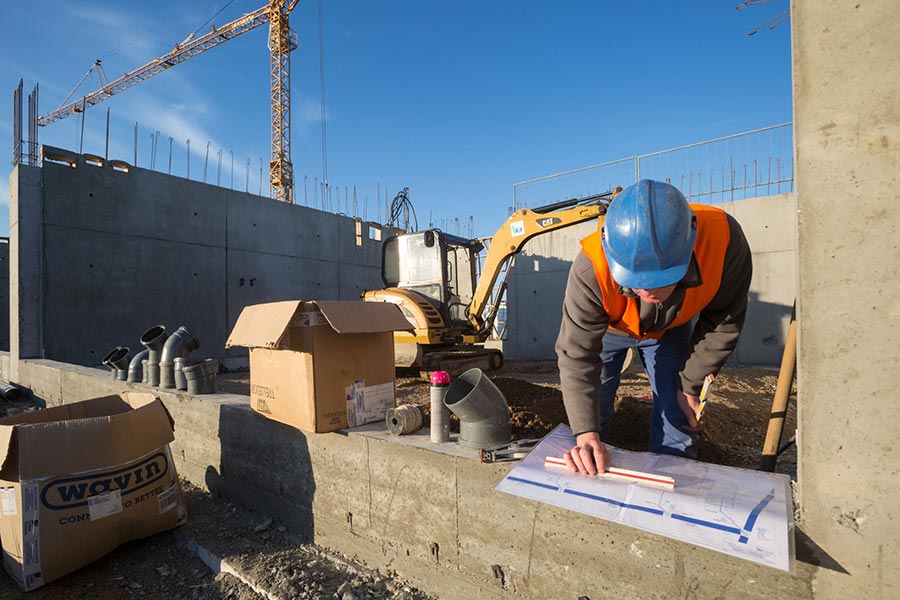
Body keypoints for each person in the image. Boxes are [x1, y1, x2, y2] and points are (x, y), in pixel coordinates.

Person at [555, 179, 752, 474]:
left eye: (662, 279)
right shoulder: (590, 268)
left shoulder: (724, 241)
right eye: (636, 281)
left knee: (678, 412)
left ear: (690, 244)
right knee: (595, 406)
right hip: (611, 330)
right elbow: (577, 356)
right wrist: (585, 434)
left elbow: (724, 321)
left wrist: (691, 384)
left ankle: (671, 490)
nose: (648, 292)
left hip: (671, 329)